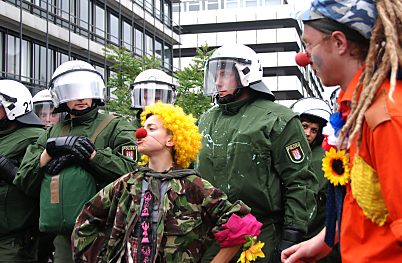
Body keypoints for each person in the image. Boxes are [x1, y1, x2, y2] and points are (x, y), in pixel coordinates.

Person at [282, 0, 402, 262]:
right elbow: (361, 204)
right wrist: (322, 242)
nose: (304, 58)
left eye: (309, 45)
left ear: (339, 42)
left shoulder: (386, 116)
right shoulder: (355, 110)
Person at [72, 102, 264, 263]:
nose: (140, 132)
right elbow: (86, 221)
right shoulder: (126, 183)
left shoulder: (193, 186)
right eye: (143, 127)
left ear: (172, 139)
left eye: (151, 128)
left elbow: (242, 226)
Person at [196, 43, 319, 262]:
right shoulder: (205, 120)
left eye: (224, 73)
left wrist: (292, 235)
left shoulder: (278, 119)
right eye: (215, 75)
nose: (217, 81)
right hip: (211, 235)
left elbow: (300, 182)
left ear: (245, 73)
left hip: (260, 235)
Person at [14, 60, 138, 263]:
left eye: (85, 90)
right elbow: (24, 180)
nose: (80, 97)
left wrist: (92, 156)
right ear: (61, 96)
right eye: (72, 91)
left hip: (106, 232)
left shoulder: (116, 126)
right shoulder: (53, 132)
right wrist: (47, 154)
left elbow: (133, 173)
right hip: (65, 236)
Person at [290, 98, 341, 263]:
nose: (308, 134)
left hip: (316, 233)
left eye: (314, 130)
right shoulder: (292, 151)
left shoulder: (320, 158)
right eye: (304, 126)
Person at [0, 79, 45, 262]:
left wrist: (11, 171)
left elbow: (40, 186)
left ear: (13, 108)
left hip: (13, 241)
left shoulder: (34, 138)